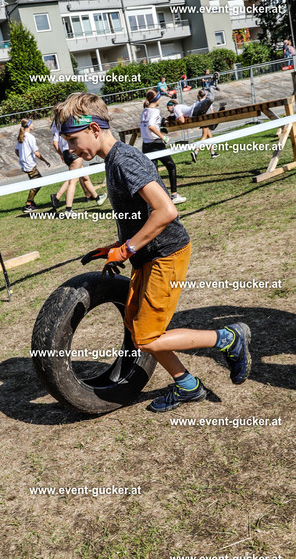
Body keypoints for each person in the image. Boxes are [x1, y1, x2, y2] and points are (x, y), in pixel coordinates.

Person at [53, 92, 251, 412]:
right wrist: (118, 247)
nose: (71, 149)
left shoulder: (124, 160)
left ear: (94, 129)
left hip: (165, 255)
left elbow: (166, 210)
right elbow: (141, 216)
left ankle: (228, 338)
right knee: (138, 328)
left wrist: (127, 248)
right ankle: (188, 386)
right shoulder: (112, 160)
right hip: (147, 256)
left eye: (73, 140)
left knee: (146, 337)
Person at [50, 121, 107, 217]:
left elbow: (55, 143)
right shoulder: (70, 121)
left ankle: (97, 198)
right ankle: (67, 208)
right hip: (73, 152)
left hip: (65, 153)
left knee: (85, 176)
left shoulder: (56, 125)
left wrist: (61, 154)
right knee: (73, 181)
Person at [140, 90, 186, 204]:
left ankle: (156, 200)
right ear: (156, 99)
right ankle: (174, 195)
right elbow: (151, 126)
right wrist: (163, 137)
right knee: (171, 166)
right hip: (156, 144)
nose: (160, 100)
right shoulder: (155, 111)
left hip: (145, 145)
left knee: (153, 173)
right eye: (160, 98)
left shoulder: (144, 111)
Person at [166, 72, 221, 162]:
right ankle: (212, 86)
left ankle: (210, 152)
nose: (168, 110)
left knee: (208, 135)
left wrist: (174, 119)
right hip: (198, 113)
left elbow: (181, 120)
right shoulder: (177, 108)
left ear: (171, 106)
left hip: (196, 111)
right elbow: (182, 119)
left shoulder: (176, 108)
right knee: (206, 135)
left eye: (168, 108)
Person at [15, 118, 50, 214]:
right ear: (29, 125)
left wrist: (22, 158)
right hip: (30, 164)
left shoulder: (21, 136)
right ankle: (28, 204)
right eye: (32, 123)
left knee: (35, 182)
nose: (33, 125)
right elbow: (36, 153)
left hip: (24, 163)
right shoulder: (30, 137)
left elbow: (16, 151)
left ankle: (31, 202)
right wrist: (45, 161)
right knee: (38, 182)